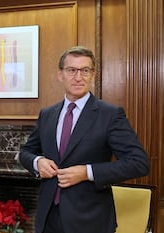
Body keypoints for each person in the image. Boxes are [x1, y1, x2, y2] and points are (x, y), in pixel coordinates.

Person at [18, 46, 150, 233]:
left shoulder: (110, 115)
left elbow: (139, 163)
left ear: (93, 75)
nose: (78, 77)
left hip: (90, 220)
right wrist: (37, 162)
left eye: (85, 70)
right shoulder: (47, 114)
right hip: (48, 218)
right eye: (71, 70)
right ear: (60, 74)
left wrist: (87, 172)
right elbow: (26, 152)